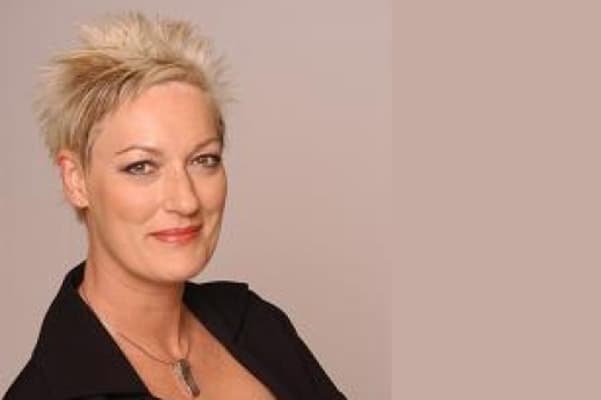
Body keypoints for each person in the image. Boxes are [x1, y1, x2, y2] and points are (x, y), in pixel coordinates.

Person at [4, 11, 346, 400]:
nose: (185, 200)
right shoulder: (46, 392)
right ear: (75, 180)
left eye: (204, 160)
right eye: (141, 166)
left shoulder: (257, 324)